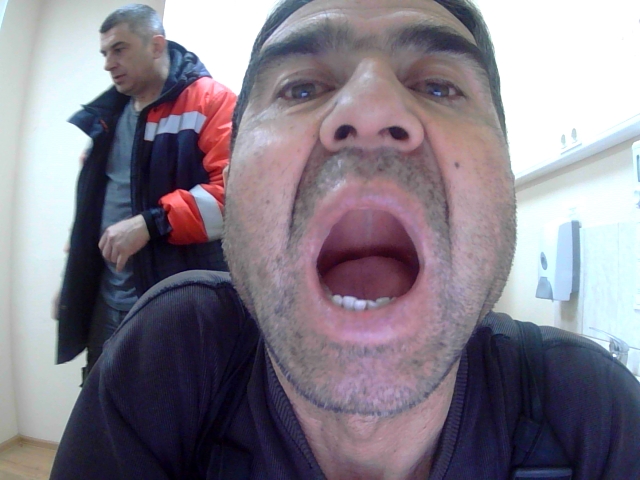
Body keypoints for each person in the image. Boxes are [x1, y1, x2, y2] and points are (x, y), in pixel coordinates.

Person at [51, 0, 640, 478]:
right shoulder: (167, 364)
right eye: (301, 88)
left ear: (505, 175)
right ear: (234, 175)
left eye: (440, 87)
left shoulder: (595, 415)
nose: (370, 107)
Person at [52, 4, 236, 382]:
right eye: (104, 53)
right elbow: (92, 208)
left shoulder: (212, 102)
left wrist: (150, 224)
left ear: (156, 45)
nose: (108, 63)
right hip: (107, 302)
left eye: (119, 49)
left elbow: (232, 198)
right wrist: (70, 281)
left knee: (166, 404)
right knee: (100, 401)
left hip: (172, 302)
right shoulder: (108, 116)